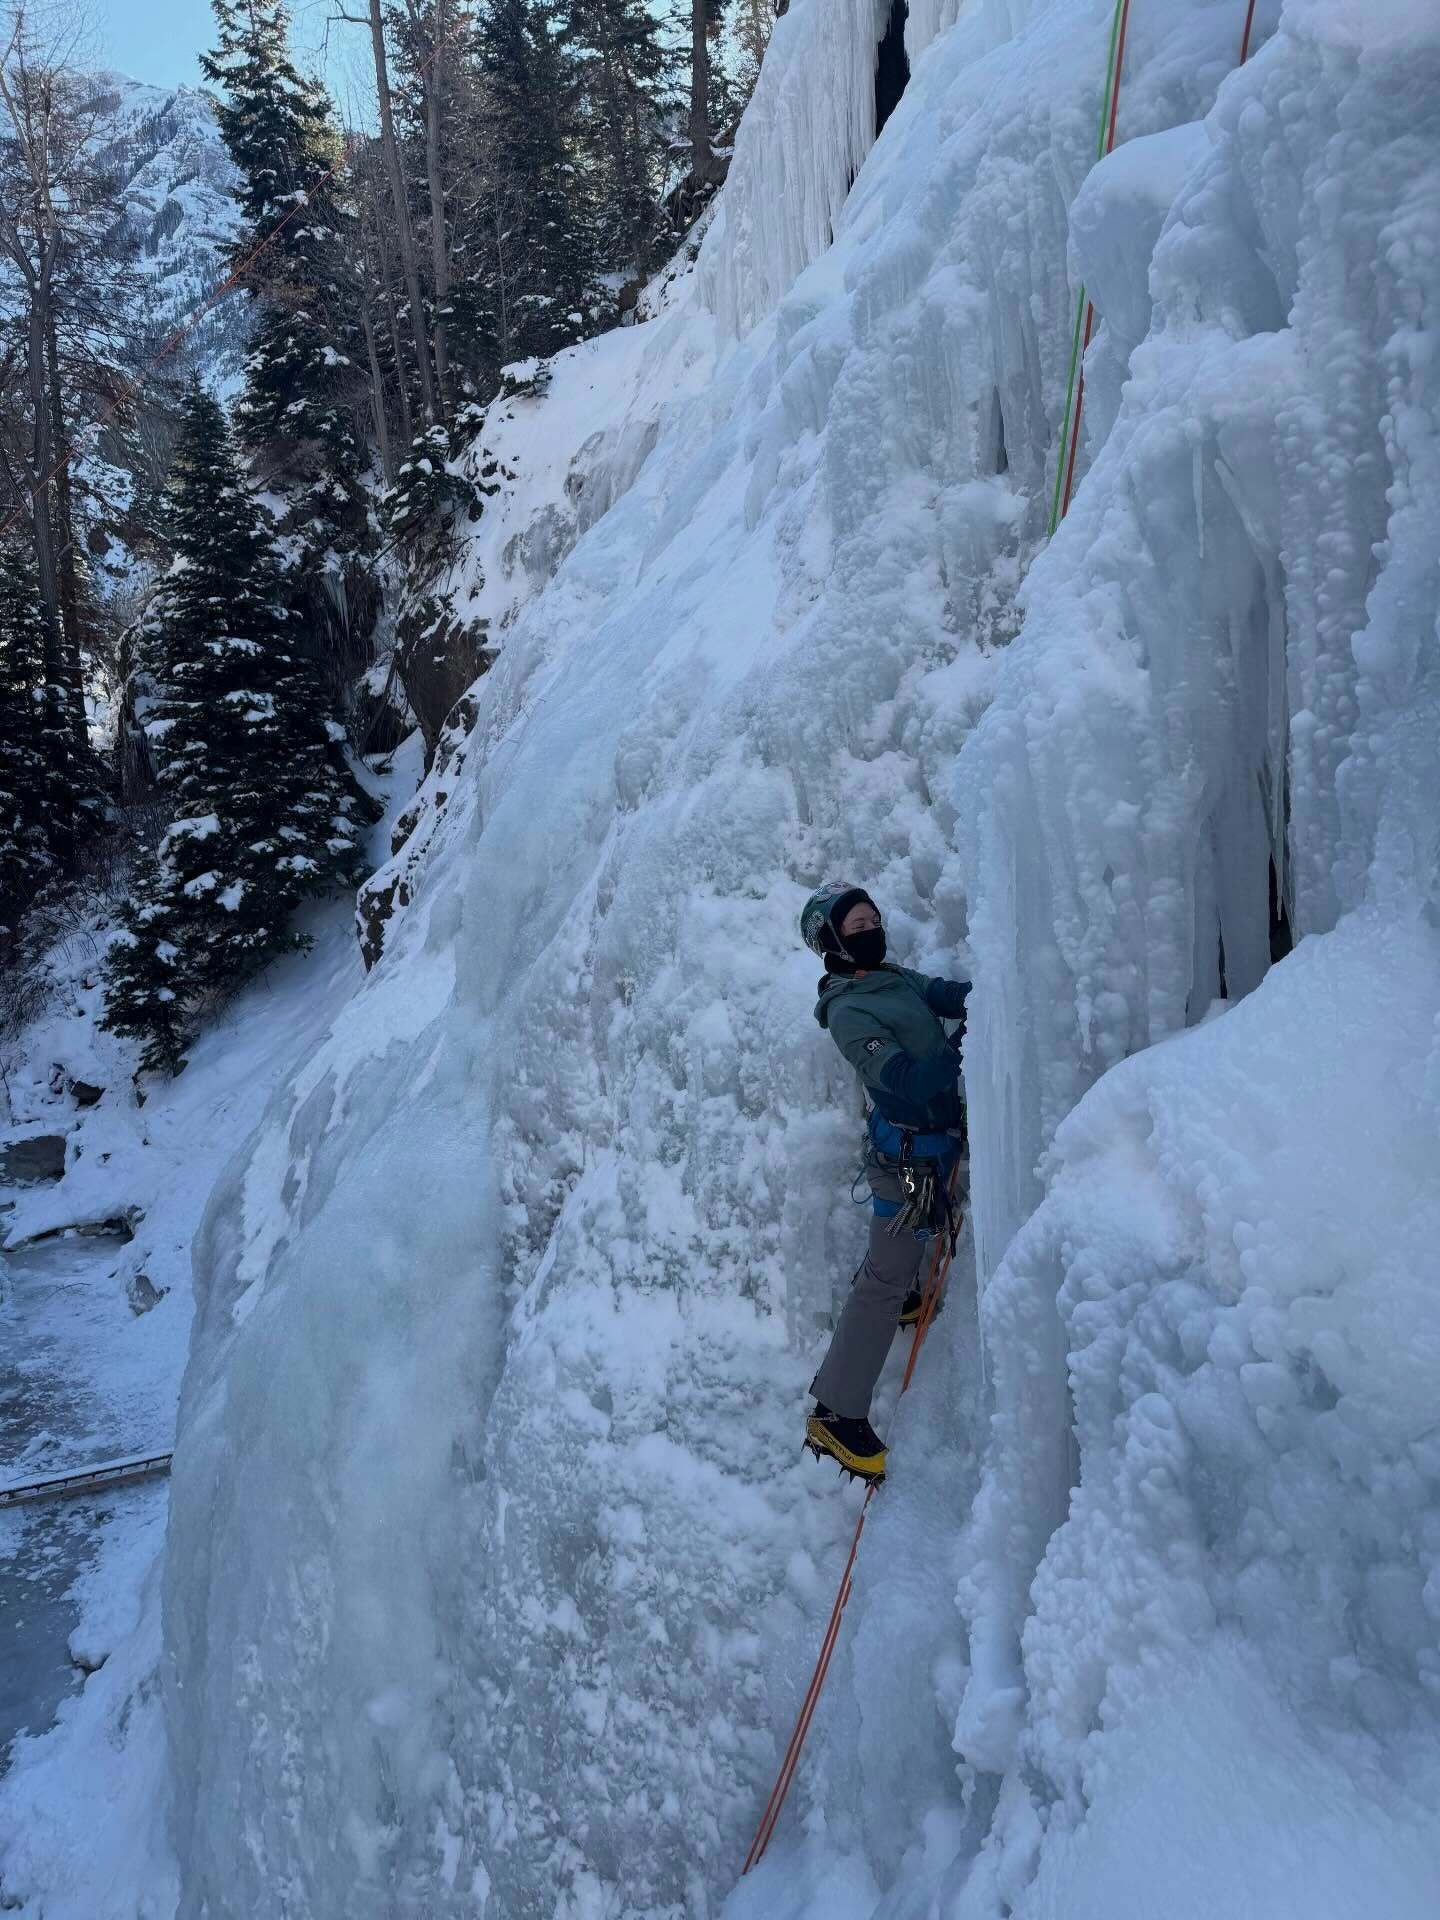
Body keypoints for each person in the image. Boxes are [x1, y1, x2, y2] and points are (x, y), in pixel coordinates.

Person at [799, 883, 970, 1483]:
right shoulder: (848, 1012)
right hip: (906, 1158)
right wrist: (963, 1048)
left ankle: (902, 1299)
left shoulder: (890, 978)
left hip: (924, 1149)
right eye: (856, 925)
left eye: (873, 918)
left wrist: (990, 992)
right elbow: (904, 1079)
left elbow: (942, 993)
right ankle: (835, 1413)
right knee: (883, 1277)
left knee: (896, 1263)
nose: (870, 929)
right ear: (833, 944)